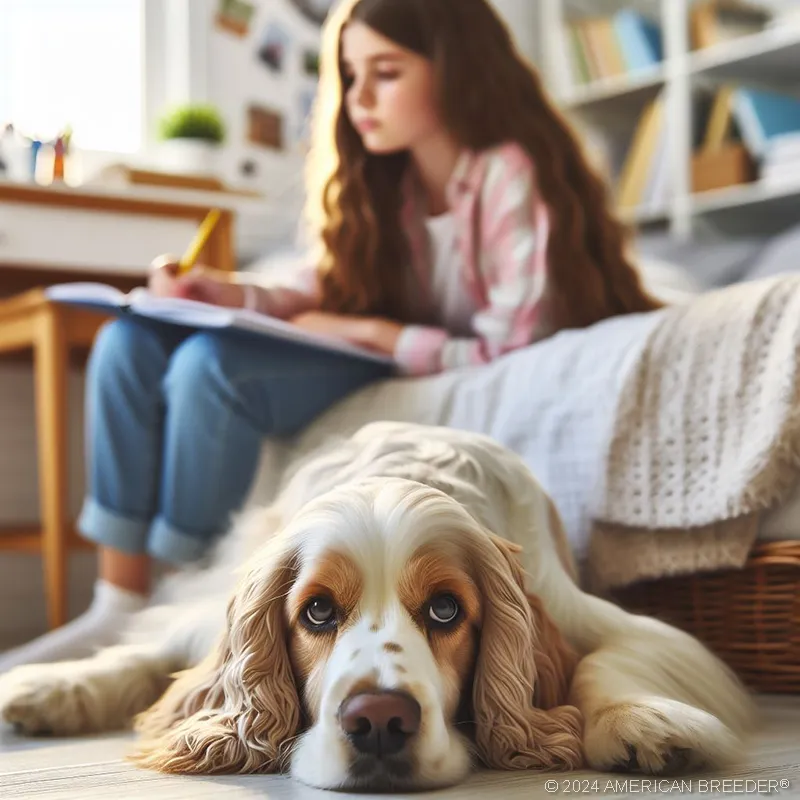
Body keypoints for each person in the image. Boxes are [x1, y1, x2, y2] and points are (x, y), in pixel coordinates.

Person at [0, 0, 659, 672]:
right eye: (350, 73)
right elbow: (318, 282)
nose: (359, 96)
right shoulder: (378, 178)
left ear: (456, 71)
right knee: (128, 340)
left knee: (213, 367)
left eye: (386, 72)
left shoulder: (508, 173)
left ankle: (175, 603)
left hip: (391, 358)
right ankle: (116, 602)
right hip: (358, 344)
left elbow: (512, 344)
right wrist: (227, 291)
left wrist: (370, 331)